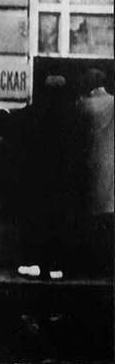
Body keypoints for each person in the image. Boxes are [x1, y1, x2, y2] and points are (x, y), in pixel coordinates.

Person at [0, 75, 77, 279]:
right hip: (63, 182)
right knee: (59, 221)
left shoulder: (33, 113)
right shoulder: (73, 116)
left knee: (35, 220)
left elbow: (5, 123)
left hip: (35, 180)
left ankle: (34, 263)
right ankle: (57, 266)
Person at [73, 69, 113, 276]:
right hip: (111, 170)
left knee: (91, 221)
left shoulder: (83, 106)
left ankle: (92, 267)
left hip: (90, 168)